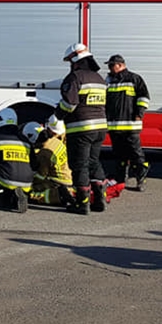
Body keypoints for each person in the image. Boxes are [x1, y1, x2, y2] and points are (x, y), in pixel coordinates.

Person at [53, 42, 108, 214]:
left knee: (80, 165)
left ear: (75, 60)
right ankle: (99, 201)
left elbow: (70, 103)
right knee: (94, 162)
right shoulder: (99, 78)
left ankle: (82, 204)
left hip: (81, 128)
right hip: (100, 128)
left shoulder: (75, 77)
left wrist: (57, 115)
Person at [105, 54, 151, 191]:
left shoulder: (134, 79)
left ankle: (140, 180)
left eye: (111, 65)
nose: (109, 68)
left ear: (120, 65)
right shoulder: (109, 81)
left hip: (131, 126)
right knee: (119, 156)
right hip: (114, 127)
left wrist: (139, 113)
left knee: (136, 155)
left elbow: (144, 97)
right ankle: (120, 180)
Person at [22, 118, 75, 207]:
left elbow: (40, 176)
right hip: (68, 177)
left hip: (58, 182)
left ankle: (59, 196)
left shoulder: (44, 153)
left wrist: (29, 182)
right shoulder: (55, 141)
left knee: (31, 191)